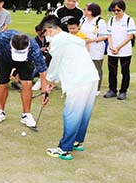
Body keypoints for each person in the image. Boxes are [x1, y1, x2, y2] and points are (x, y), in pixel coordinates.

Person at [38, 15, 99, 161]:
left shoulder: (58, 40)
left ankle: (64, 149)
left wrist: (48, 84)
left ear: (49, 30)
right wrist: (51, 83)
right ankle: (77, 141)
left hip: (78, 81)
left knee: (71, 113)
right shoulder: (71, 38)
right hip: (91, 77)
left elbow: (54, 64)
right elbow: (66, 61)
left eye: (44, 34)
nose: (45, 38)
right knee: (84, 111)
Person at [0, 30, 49, 128]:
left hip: (25, 61)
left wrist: (44, 92)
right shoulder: (3, 37)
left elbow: (43, 72)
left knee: (27, 84)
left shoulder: (34, 48)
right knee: (3, 83)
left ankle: (26, 115)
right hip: (4, 59)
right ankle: (0, 111)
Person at [103, 0, 136, 100]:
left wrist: (118, 47)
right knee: (112, 71)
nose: (116, 12)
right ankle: (112, 90)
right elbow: (108, 34)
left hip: (124, 51)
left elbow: (130, 36)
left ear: (123, 9)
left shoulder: (129, 20)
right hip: (112, 50)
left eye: (118, 10)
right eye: (114, 10)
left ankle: (123, 91)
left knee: (125, 71)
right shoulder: (111, 20)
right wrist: (111, 46)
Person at [80, 2, 108, 94]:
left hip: (96, 48)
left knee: (96, 67)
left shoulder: (100, 21)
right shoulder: (83, 20)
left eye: (86, 9)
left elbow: (104, 36)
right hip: (84, 47)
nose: (84, 11)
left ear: (91, 11)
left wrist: (91, 40)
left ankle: (96, 88)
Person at [31, 23, 51, 91]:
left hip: (46, 55)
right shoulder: (34, 40)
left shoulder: (47, 38)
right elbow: (32, 50)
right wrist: (40, 49)